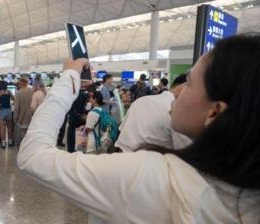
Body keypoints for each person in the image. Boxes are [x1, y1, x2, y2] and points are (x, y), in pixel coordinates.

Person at [18, 34, 260, 223]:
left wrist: (69, 77)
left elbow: (33, 156)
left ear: (215, 111)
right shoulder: (248, 198)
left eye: (190, 83)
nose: (176, 92)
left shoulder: (150, 177)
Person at [115, 74, 191, 152]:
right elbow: (184, 149)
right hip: (149, 160)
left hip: (120, 155)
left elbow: (121, 130)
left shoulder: (140, 101)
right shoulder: (179, 109)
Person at [0, 81, 14, 148]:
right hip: (8, 110)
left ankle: (3, 143)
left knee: (2, 127)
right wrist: (11, 104)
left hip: (1, 111)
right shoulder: (9, 91)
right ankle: (10, 142)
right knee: (9, 127)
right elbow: (14, 99)